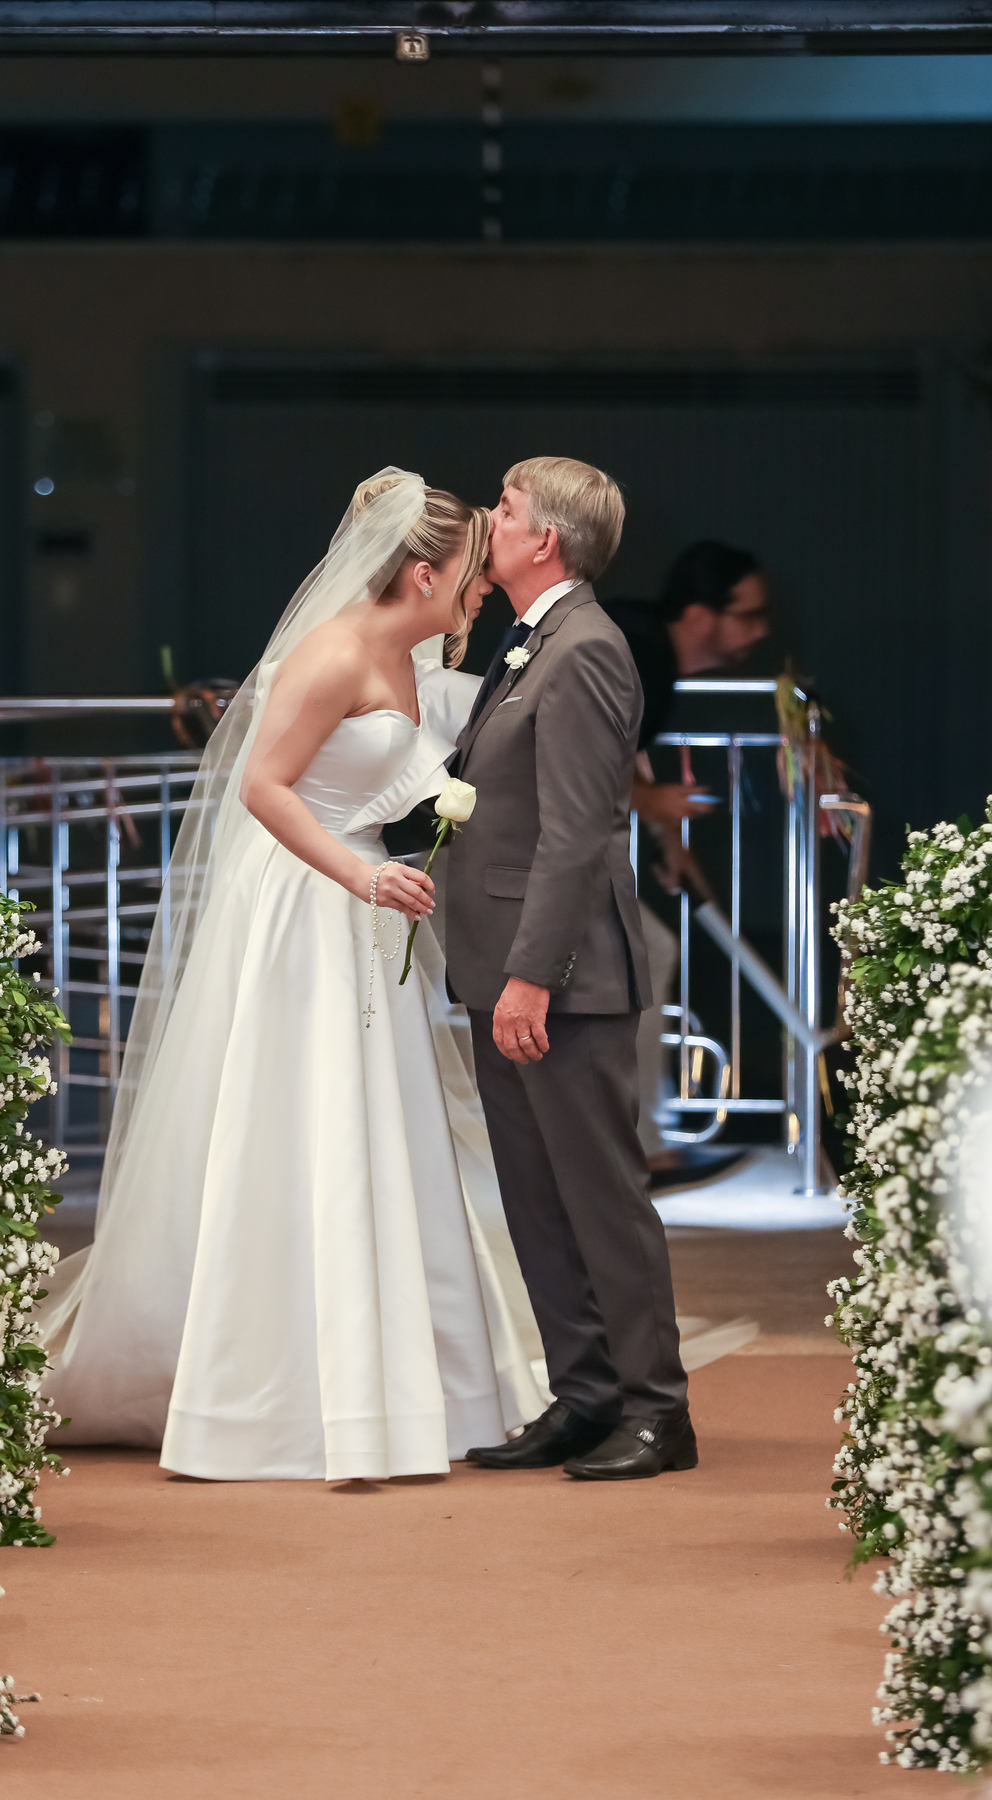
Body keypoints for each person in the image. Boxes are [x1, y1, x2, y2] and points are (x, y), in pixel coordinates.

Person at [38, 470, 542, 1481]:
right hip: (309, 903)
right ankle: (266, 1393)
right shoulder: (334, 652)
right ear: (423, 573)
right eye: (473, 576)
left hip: (371, 907)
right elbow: (264, 787)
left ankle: (402, 1385)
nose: (483, 591)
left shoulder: (410, 657)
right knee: (301, 1117)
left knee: (383, 1125)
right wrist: (360, 872)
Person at [449, 456, 695, 1483]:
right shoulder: (530, 639)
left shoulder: (586, 645)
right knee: (537, 1198)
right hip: (502, 961)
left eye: (504, 508)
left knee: (598, 1196)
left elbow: (579, 829)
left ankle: (656, 1408)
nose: (489, 518)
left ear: (544, 539)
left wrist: (534, 973)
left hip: (560, 973)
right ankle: (586, 1393)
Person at [602, 542, 771, 1172]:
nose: (761, 631)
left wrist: (668, 839)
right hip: (524, 845)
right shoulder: (641, 649)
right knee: (642, 956)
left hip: (548, 844)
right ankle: (640, 1151)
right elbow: (575, 748)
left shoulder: (647, 650)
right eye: (748, 616)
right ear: (700, 615)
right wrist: (652, 802)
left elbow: (623, 747)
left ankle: (642, 1145)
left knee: (645, 955)